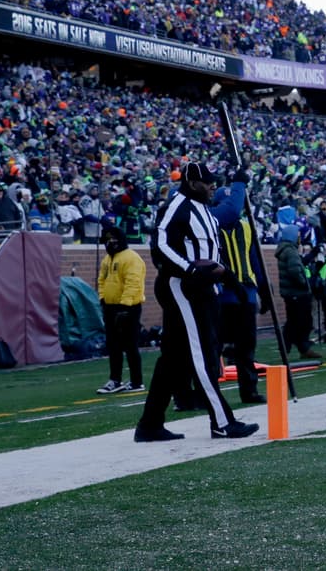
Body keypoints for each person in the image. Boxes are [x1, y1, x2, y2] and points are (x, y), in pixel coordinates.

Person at [135, 161, 257, 442]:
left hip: (203, 288)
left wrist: (230, 279)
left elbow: (211, 250)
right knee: (202, 353)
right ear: (192, 183)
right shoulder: (177, 205)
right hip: (183, 287)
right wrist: (189, 269)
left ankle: (149, 424)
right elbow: (161, 244)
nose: (213, 185)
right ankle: (222, 422)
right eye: (207, 182)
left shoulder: (205, 209)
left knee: (173, 359)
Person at [211, 170, 267, 404]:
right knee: (215, 345)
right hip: (222, 294)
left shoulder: (245, 226)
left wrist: (263, 288)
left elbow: (255, 259)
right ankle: (211, 392)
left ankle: (249, 389)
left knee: (247, 346)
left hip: (246, 292)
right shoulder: (212, 225)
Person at [96, 225, 146, 394]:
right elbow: (101, 280)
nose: (111, 243)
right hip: (110, 306)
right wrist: (102, 298)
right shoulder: (107, 259)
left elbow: (134, 282)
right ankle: (114, 379)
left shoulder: (131, 258)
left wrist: (125, 305)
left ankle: (136, 381)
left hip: (128, 308)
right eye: (108, 240)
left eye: (114, 239)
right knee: (113, 346)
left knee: (130, 345)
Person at [276, 223, 322, 360]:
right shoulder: (290, 251)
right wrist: (304, 284)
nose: (299, 238)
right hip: (297, 293)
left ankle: (299, 347)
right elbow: (295, 271)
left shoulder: (287, 250)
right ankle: (292, 347)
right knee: (301, 322)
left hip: (292, 293)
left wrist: (312, 254)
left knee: (295, 321)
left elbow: (299, 264)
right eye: (298, 235)